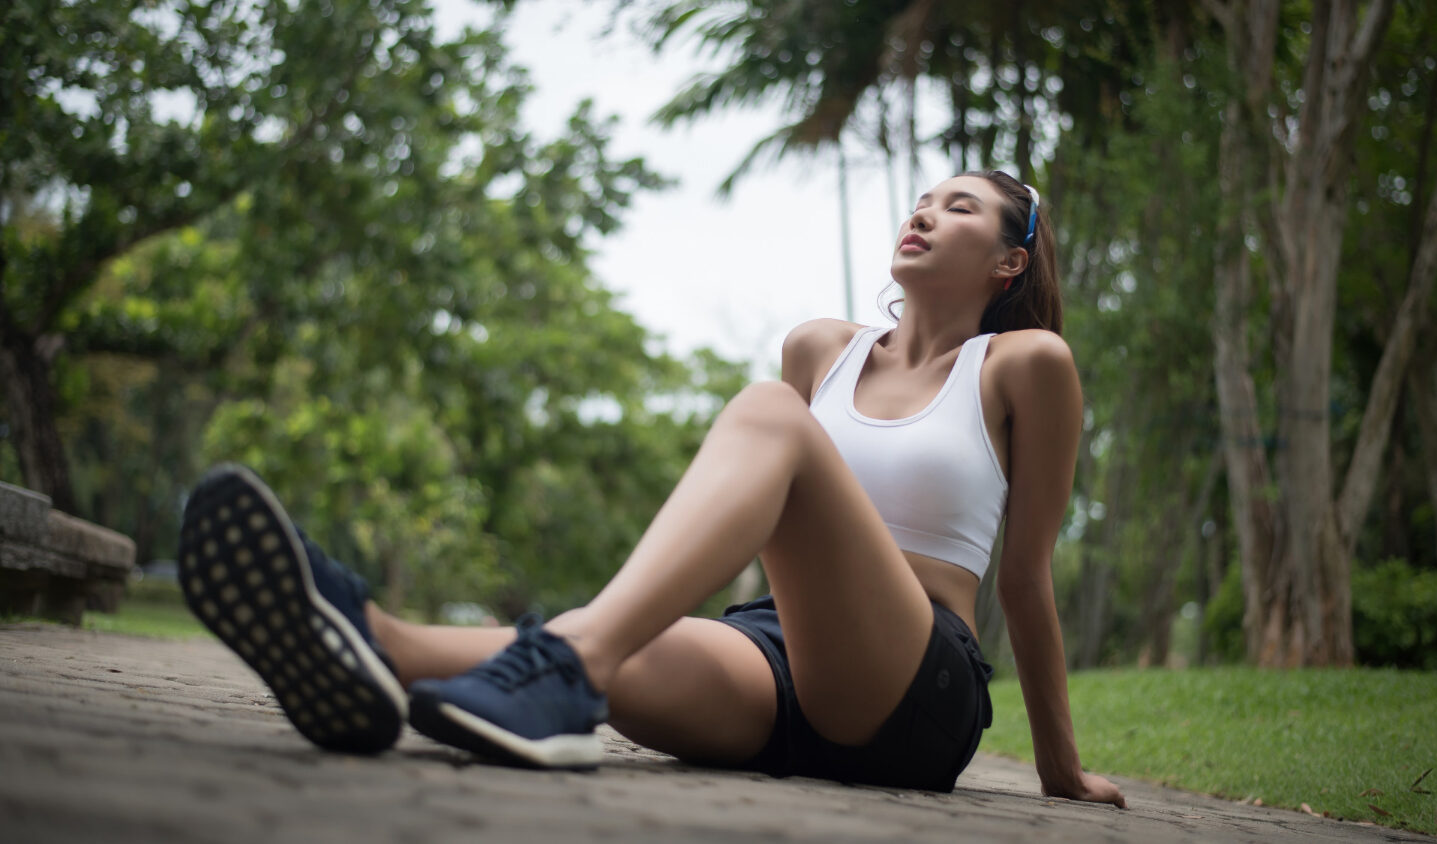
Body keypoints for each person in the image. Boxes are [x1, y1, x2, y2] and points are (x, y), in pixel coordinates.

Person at [177, 170, 1125, 806]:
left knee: (763, 417)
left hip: (915, 681)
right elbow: (776, 528)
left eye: (959, 209)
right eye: (920, 200)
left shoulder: (1025, 363)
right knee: (612, 648)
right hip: (772, 659)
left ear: (1010, 261)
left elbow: (1024, 582)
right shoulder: (821, 350)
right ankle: (370, 647)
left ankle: (564, 670)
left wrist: (1059, 767)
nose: (923, 213)